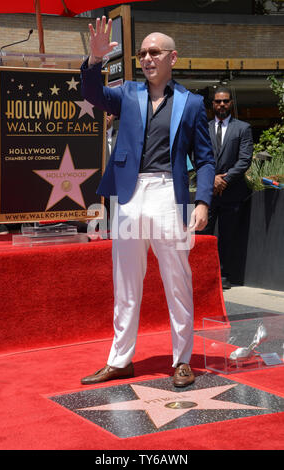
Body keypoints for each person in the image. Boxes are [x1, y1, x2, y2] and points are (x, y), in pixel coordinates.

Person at [80, 17, 215, 387]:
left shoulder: (191, 103)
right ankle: (120, 359)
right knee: (125, 281)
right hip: (128, 195)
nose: (147, 58)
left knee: (177, 280)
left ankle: (182, 360)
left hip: (169, 195)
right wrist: (94, 62)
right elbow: (92, 94)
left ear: (173, 57)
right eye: (142, 53)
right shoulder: (126, 93)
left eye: (155, 52)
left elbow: (205, 158)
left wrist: (201, 201)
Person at [200, 87, 253, 289]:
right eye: (218, 101)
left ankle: (223, 274)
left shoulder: (243, 128)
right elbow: (198, 156)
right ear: (212, 104)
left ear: (231, 103)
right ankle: (205, 273)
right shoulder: (202, 129)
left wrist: (225, 179)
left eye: (225, 101)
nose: (221, 105)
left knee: (228, 236)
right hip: (208, 192)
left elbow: (244, 159)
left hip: (232, 192)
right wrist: (212, 179)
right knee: (204, 234)